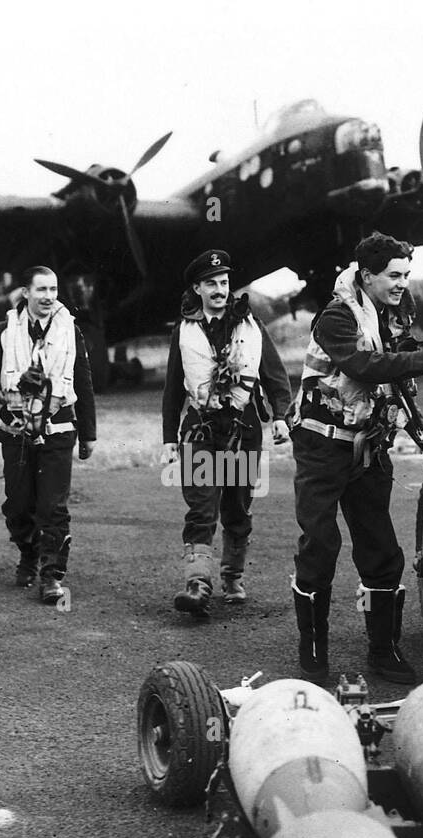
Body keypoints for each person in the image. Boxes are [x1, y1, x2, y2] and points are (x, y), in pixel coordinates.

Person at [290, 232, 423, 684]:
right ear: (366, 275)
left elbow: (396, 387)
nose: (402, 284)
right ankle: (313, 654)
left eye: (407, 275)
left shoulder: (391, 317)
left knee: (382, 555)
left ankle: (383, 652)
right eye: (393, 275)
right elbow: (365, 368)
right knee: (320, 548)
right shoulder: (335, 317)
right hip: (322, 448)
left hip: (369, 447)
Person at [160, 249, 291, 615]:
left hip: (243, 430)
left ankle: (232, 575)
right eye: (212, 284)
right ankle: (198, 583)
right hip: (202, 432)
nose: (220, 289)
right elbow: (173, 389)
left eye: (224, 283)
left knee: (237, 507)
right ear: (197, 288)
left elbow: (276, 377)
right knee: (201, 510)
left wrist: (280, 416)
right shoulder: (183, 331)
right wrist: (170, 438)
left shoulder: (251, 326)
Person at [0, 265, 97, 605]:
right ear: (25, 292)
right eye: (41, 290)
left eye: (54, 290)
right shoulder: (4, 330)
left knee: (53, 506)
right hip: (17, 433)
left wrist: (88, 433)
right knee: (18, 504)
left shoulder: (71, 330)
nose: (49, 297)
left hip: (58, 430)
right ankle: (29, 553)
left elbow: (83, 381)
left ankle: (52, 575)